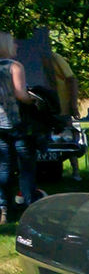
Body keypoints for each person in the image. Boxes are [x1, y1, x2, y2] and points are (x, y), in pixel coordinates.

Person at [0, 32, 38, 223]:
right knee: (26, 166)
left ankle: (3, 208)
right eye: (13, 43)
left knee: (4, 167)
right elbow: (20, 95)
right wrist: (34, 99)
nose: (16, 46)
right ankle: (30, 206)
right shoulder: (15, 67)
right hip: (17, 123)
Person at [48, 51, 82, 180]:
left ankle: (76, 171)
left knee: (68, 138)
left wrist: (73, 105)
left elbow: (71, 79)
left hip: (61, 108)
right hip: (42, 109)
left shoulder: (55, 57)